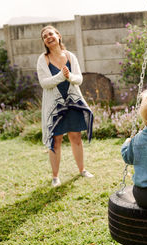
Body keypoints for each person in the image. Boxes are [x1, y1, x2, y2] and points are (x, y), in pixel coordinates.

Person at [37, 25, 94, 187]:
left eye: (51, 34)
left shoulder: (70, 56)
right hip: (55, 107)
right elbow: (44, 83)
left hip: (73, 103)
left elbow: (79, 79)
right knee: (56, 140)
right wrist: (61, 76)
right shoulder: (43, 59)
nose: (48, 37)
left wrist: (70, 77)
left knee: (76, 137)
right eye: (45, 36)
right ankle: (55, 177)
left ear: (58, 36)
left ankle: (82, 170)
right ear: (44, 42)